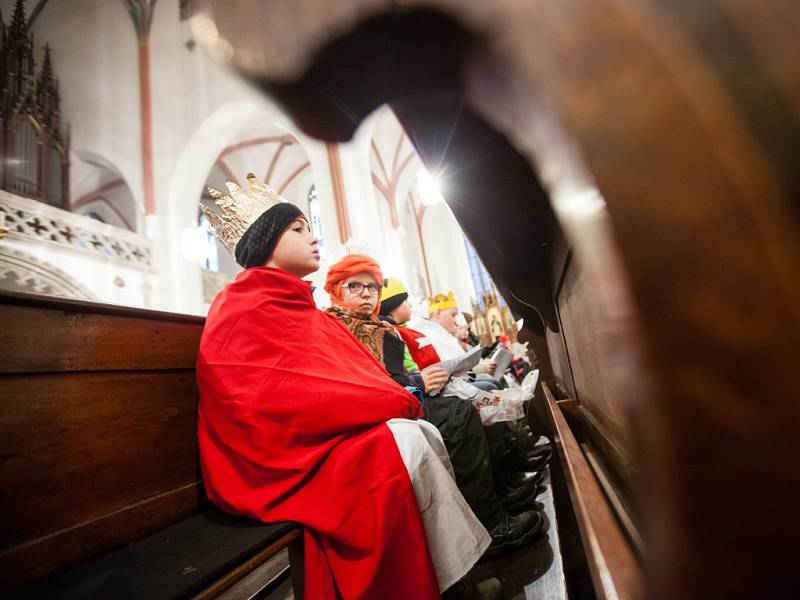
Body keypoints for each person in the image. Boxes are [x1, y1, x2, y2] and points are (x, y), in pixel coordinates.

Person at [196, 175, 491, 599]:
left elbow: (343, 375)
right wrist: (392, 398)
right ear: (266, 242)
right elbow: (259, 398)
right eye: (297, 229)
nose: (312, 237)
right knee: (400, 445)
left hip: (316, 440)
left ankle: (449, 582)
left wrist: (390, 398)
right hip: (276, 461)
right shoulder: (242, 305)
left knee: (418, 434)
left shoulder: (299, 303)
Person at [323, 256, 545, 556]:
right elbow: (355, 384)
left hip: (399, 399)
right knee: (456, 414)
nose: (366, 293)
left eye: (372, 287)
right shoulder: (334, 329)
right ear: (336, 289)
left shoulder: (380, 328)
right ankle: (489, 523)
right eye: (355, 286)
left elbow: (394, 375)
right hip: (371, 416)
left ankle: (498, 494)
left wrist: (421, 379)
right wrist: (415, 383)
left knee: (465, 403)